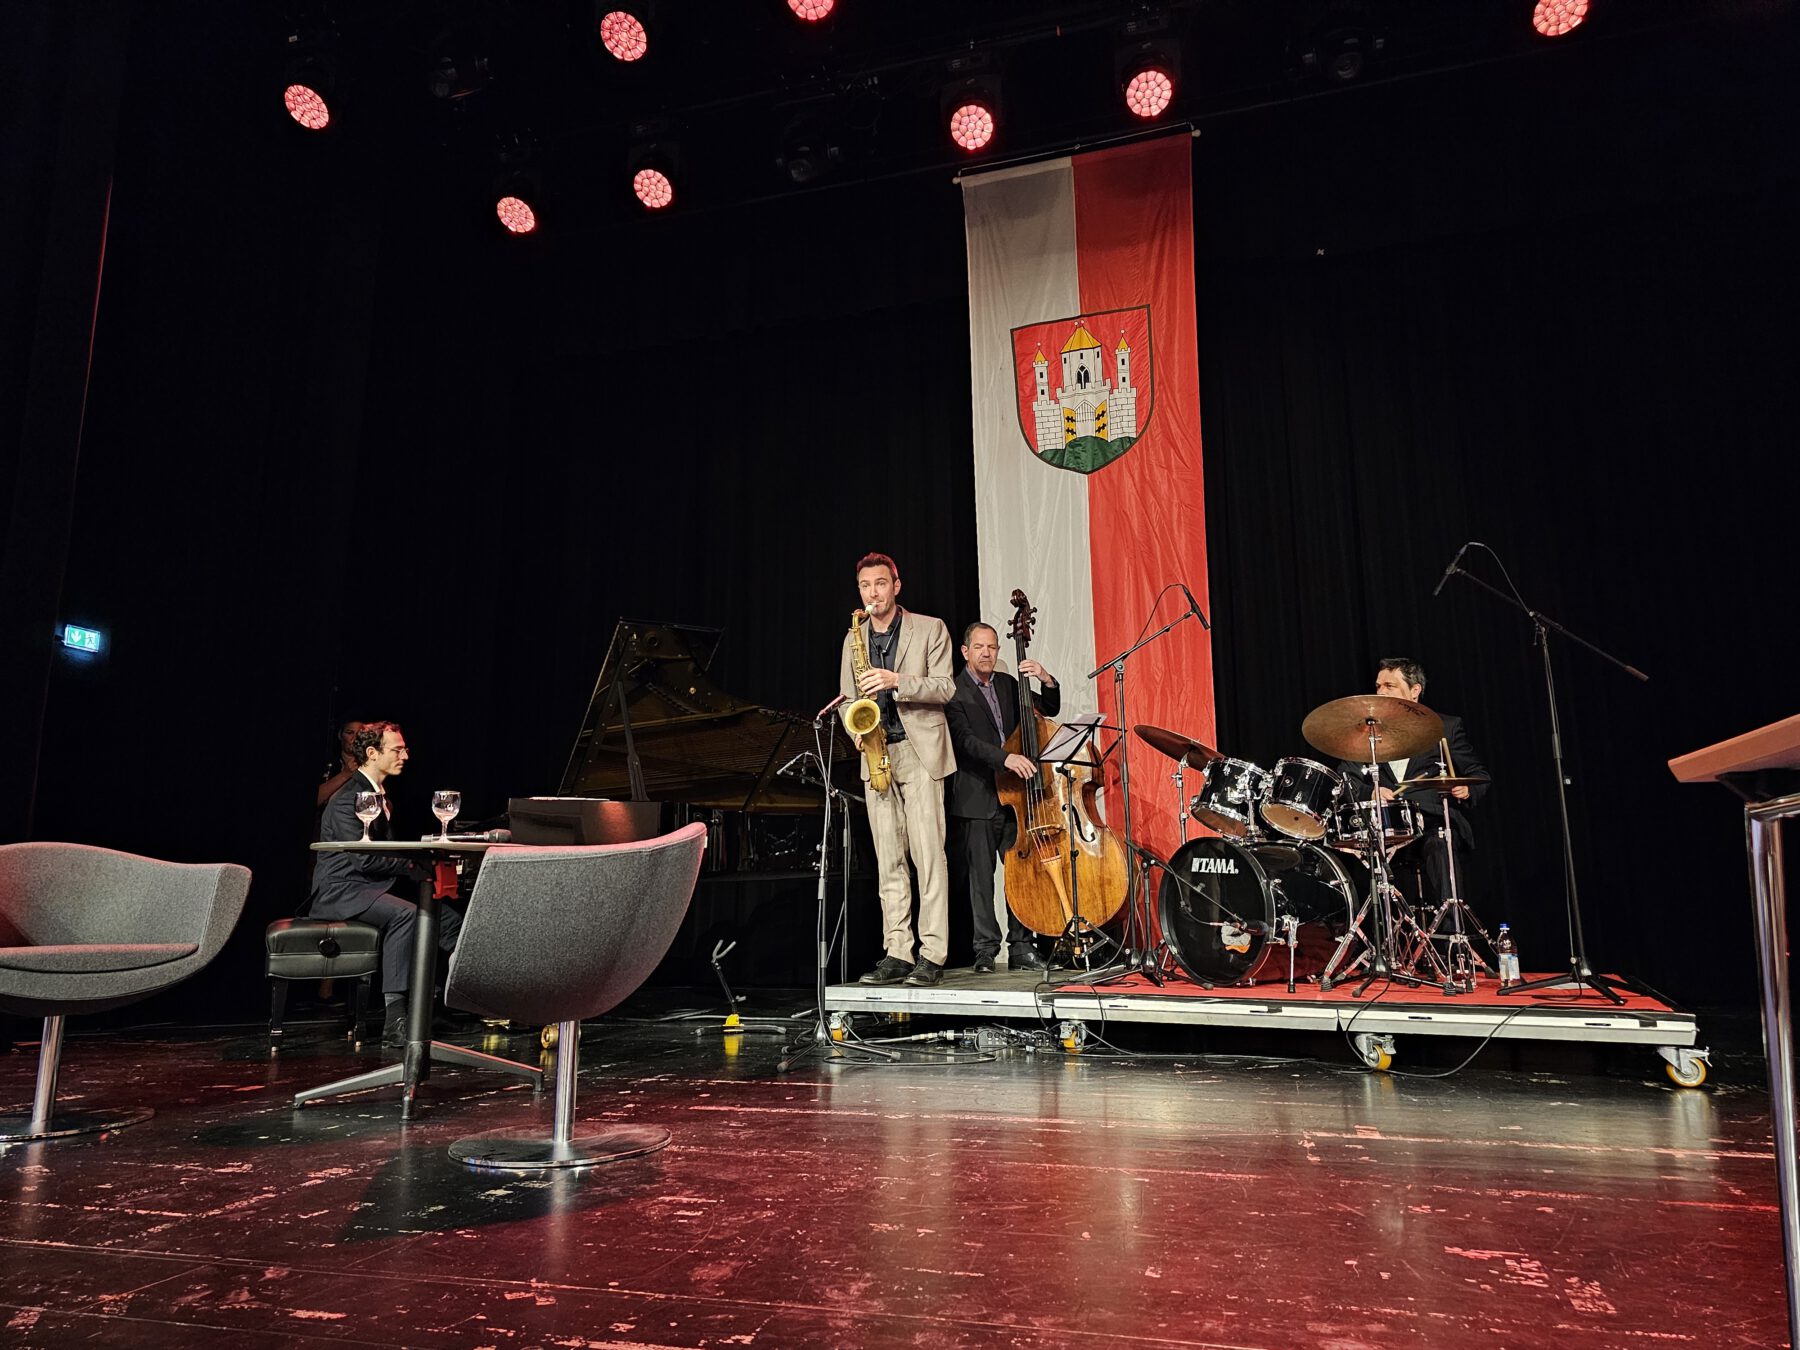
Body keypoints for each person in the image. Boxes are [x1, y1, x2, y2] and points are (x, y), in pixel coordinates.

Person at [839, 552, 957, 988]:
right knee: (889, 860)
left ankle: (933, 953)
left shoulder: (931, 628)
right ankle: (898, 951)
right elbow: (847, 699)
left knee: (928, 856)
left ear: (896, 586)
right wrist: (857, 732)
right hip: (877, 752)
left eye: (880, 583)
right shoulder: (853, 637)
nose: (872, 593)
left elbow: (946, 687)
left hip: (919, 751)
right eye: (865, 586)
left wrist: (895, 681)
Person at [308, 722, 461, 1045]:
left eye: (404, 749)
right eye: (397, 750)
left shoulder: (380, 796)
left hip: (371, 887)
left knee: (445, 918)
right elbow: (364, 860)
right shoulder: (348, 799)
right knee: (407, 915)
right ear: (372, 753)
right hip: (342, 891)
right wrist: (414, 865)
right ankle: (396, 1019)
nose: (405, 756)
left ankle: (435, 1005)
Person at [944, 622, 1058, 974]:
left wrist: (1046, 679)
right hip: (977, 797)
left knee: (1020, 875)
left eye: (992, 647)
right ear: (965, 651)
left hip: (1015, 797)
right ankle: (985, 950)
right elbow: (965, 741)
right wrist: (1005, 758)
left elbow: (1048, 709)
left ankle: (1022, 946)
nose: (986, 653)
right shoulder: (953, 691)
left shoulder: (1009, 684)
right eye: (979, 647)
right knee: (981, 880)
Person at [1336, 658, 1489, 907]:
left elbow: (1478, 774)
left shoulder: (1445, 727)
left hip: (1432, 824)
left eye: (1390, 686)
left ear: (1414, 691)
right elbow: (1345, 779)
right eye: (1378, 686)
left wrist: (1468, 789)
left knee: (1440, 843)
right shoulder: (1367, 733)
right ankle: (1378, 928)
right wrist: (1370, 792)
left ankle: (1450, 922)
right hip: (1386, 829)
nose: (1381, 692)